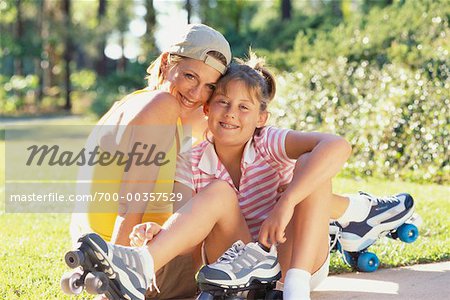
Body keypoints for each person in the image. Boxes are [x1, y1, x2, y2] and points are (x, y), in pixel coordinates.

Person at [68, 53, 415, 300]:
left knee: (312, 167)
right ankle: (139, 265)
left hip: (293, 261)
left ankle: (294, 290)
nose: (231, 114)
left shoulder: (270, 142)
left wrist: (286, 204)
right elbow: (190, 226)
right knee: (218, 192)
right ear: (206, 109)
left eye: (244, 107)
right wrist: (163, 232)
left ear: (261, 117)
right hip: (234, 266)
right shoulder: (191, 159)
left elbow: (337, 145)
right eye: (222, 103)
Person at [70, 23, 232, 247]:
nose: (196, 94)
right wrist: (118, 270)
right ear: (166, 63)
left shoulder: (140, 105)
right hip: (133, 252)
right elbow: (131, 203)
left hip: (124, 246)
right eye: (190, 76)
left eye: (209, 87)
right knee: (222, 196)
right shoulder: (161, 106)